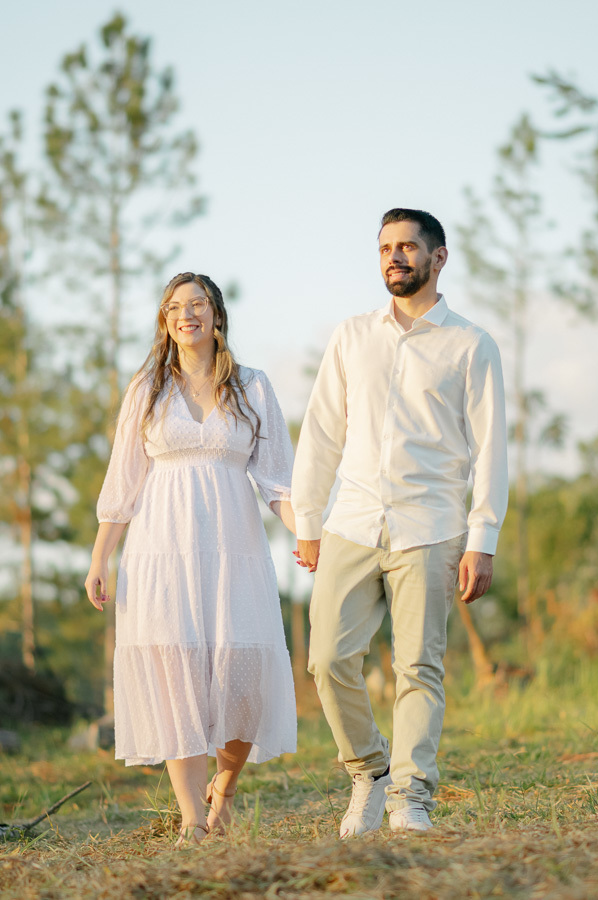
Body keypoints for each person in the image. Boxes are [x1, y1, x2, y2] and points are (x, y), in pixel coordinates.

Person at [292, 209, 508, 836]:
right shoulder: (352, 336)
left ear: (438, 259)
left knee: (419, 668)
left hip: (432, 525)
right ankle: (370, 770)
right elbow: (323, 431)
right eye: (386, 247)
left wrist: (482, 537)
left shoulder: (472, 344)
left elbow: (490, 448)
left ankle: (411, 796)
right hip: (351, 522)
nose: (395, 257)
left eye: (408, 247)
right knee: (328, 658)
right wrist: (308, 517)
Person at [85, 272, 297, 847]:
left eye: (198, 303)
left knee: (243, 677)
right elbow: (123, 483)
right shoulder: (147, 389)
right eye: (175, 306)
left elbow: (279, 481)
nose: (187, 314)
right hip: (161, 549)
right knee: (173, 673)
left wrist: (307, 536)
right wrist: (100, 558)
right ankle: (193, 820)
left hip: (236, 549)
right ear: (165, 321)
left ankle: (224, 791)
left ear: (216, 314)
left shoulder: (252, 386)